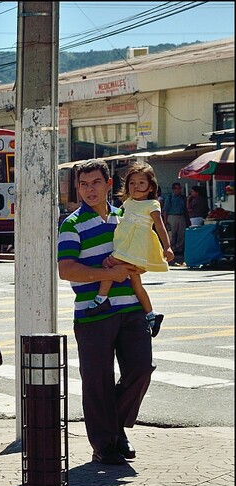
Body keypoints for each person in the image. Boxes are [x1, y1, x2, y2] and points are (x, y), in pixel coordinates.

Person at [57, 159, 155, 466]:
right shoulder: (71, 224)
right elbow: (66, 269)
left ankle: (115, 427)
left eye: (96, 182)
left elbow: (142, 253)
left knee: (141, 369)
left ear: (109, 184)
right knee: (96, 380)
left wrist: (138, 265)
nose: (90, 190)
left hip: (132, 309)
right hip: (92, 314)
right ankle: (104, 444)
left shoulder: (126, 216)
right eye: (83, 184)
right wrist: (106, 275)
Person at [85, 162, 170, 338]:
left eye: (141, 183)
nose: (136, 187)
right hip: (126, 245)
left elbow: (160, 227)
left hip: (135, 247)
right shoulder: (128, 203)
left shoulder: (152, 204)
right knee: (136, 284)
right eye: (132, 183)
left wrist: (167, 247)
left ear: (150, 187)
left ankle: (101, 298)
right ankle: (151, 315)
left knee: (108, 264)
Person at [161, 182, 188, 265]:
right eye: (176, 188)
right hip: (172, 216)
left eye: (179, 188)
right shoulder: (169, 198)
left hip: (181, 216)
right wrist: (165, 221)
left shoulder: (183, 198)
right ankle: (172, 248)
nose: (178, 190)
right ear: (173, 189)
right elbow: (165, 210)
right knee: (172, 233)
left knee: (181, 233)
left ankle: (179, 249)